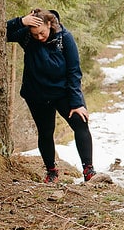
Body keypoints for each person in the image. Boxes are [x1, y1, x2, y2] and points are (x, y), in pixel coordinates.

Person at [7, 9, 95, 184]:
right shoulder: (26, 35)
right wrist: (21, 21)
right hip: (37, 93)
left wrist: (77, 103)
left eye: (42, 33)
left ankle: (88, 170)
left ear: (49, 24)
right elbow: (1, 32)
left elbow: (74, 71)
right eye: (35, 34)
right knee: (46, 132)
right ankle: (51, 171)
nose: (39, 37)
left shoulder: (65, 38)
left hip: (63, 92)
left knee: (80, 123)